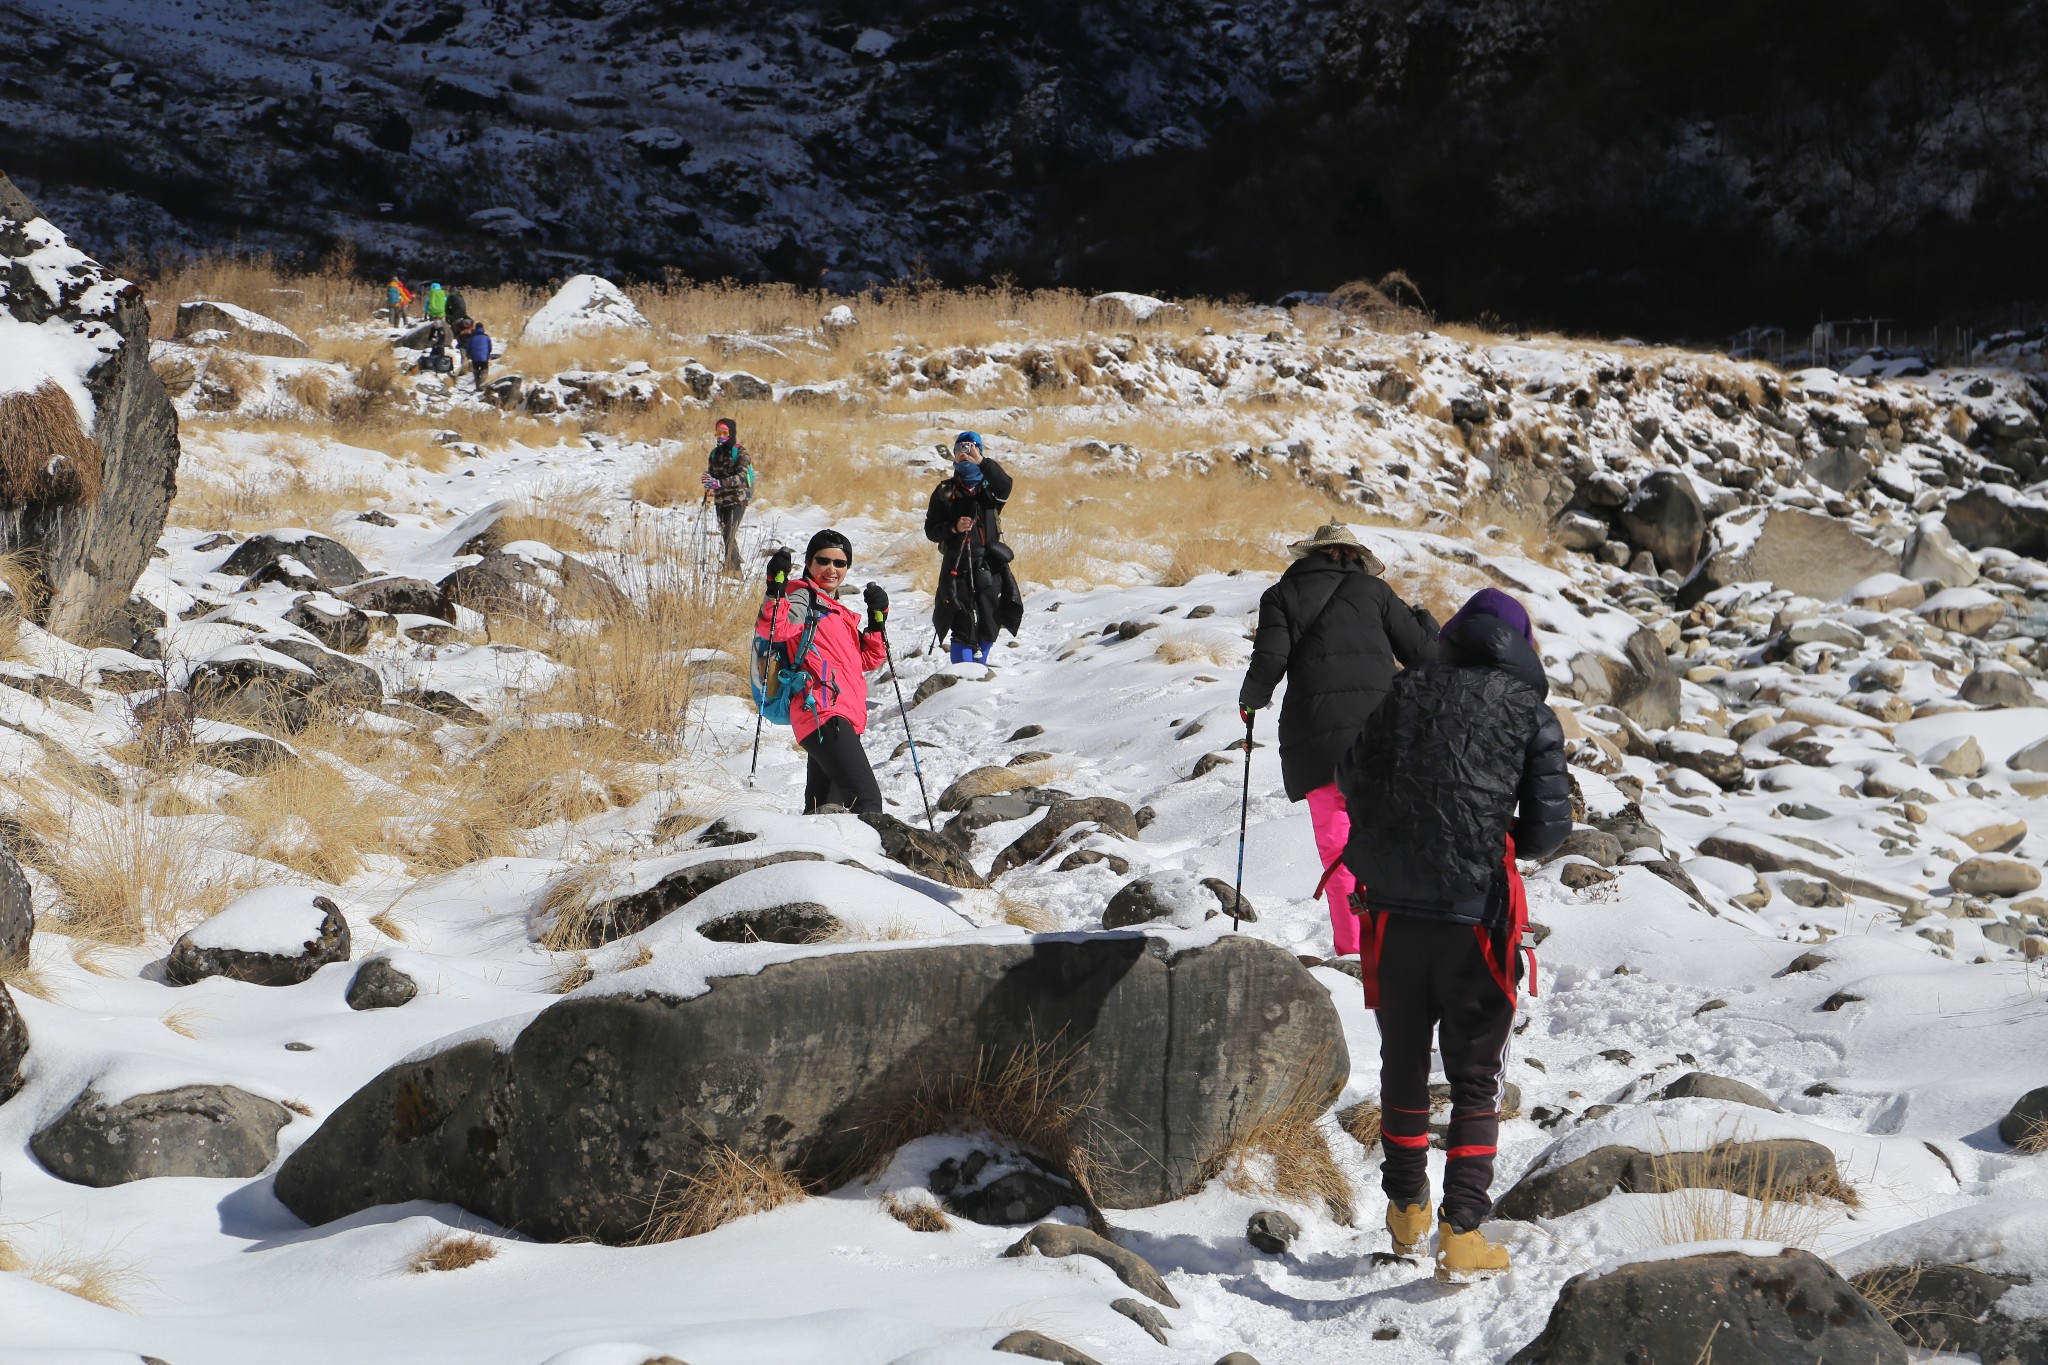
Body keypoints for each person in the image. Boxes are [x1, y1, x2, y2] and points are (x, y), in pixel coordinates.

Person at [1335, 587, 1569, 1284]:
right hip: (1477, 916)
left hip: (1394, 912)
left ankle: (1406, 1206)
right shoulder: (1530, 710)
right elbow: (1549, 829)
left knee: (1403, 1061)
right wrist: (1494, 831)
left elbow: (1351, 774)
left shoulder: (1406, 691)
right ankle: (1461, 1231)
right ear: (1521, 644)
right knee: (1474, 1079)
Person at [1237, 524, 1436, 959]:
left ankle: (1352, 948)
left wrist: (1249, 705)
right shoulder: (1377, 593)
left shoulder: (1280, 595)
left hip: (1317, 740)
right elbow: (1427, 657)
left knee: (1338, 848)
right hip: (1384, 737)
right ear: (1353, 557)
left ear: (1312, 556)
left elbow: (1269, 661)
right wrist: (1424, 621)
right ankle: (1394, 944)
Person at [755, 530, 890, 815]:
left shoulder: (834, 609)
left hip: (836, 715)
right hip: (822, 712)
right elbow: (775, 630)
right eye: (823, 560)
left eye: (839, 563)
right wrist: (775, 590)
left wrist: (877, 623)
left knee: (823, 809)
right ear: (808, 562)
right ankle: (875, 859)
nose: (831, 569)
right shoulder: (801, 596)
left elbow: (866, 659)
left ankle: (813, 857)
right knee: (866, 802)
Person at [924, 431, 1018, 664]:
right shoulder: (944, 491)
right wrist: (953, 528)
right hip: (957, 563)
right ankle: (962, 675)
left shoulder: (991, 490)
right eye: (960, 451)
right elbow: (931, 530)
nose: (965, 455)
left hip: (989, 563)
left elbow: (1006, 483)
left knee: (991, 620)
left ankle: (980, 666)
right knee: (961, 622)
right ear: (954, 456)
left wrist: (982, 462)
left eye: (971, 449)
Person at [701, 417, 753, 574]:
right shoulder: (714, 454)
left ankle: (735, 571)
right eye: (718, 432)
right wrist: (708, 483)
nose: (721, 436)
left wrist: (720, 483)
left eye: (724, 432)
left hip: (738, 498)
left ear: (731, 433)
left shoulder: (741, 452)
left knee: (729, 532)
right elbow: (712, 473)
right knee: (725, 532)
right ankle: (732, 563)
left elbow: (742, 476)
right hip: (720, 499)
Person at [460, 318, 492, 387]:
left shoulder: (472, 337)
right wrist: (487, 354)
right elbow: (490, 348)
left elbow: (468, 348)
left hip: (475, 358)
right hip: (484, 358)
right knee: (484, 371)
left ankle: (477, 385)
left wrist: (470, 355)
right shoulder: (486, 337)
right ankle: (482, 386)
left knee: (476, 371)